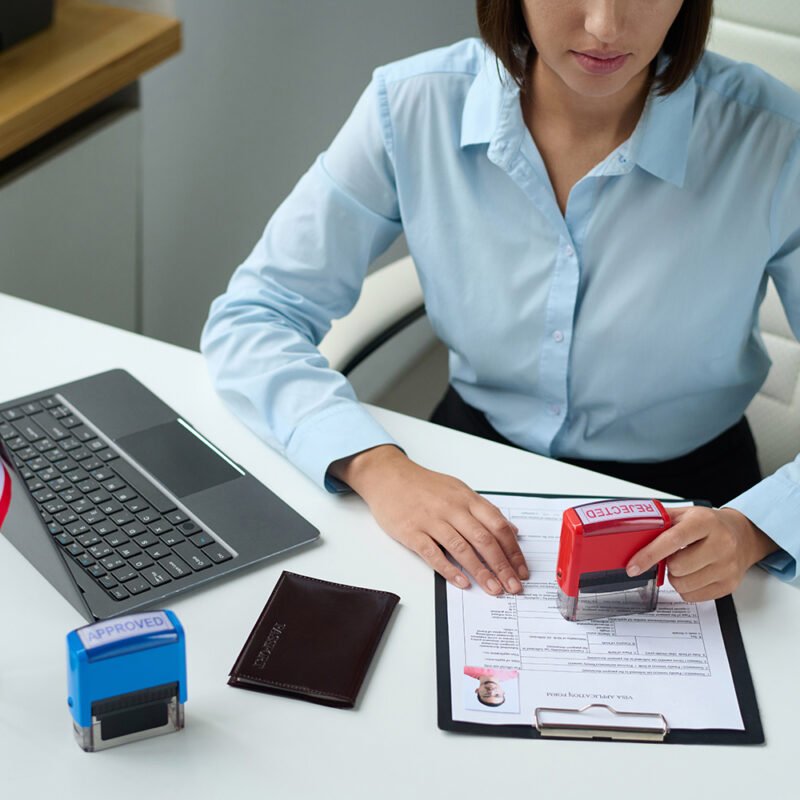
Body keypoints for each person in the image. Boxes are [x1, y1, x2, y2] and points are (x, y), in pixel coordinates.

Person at [202, 1, 800, 603]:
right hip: (462, 467)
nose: (605, 27)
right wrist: (376, 466)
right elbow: (256, 314)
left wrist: (756, 530)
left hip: (691, 504)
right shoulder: (414, 104)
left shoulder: (777, 140)